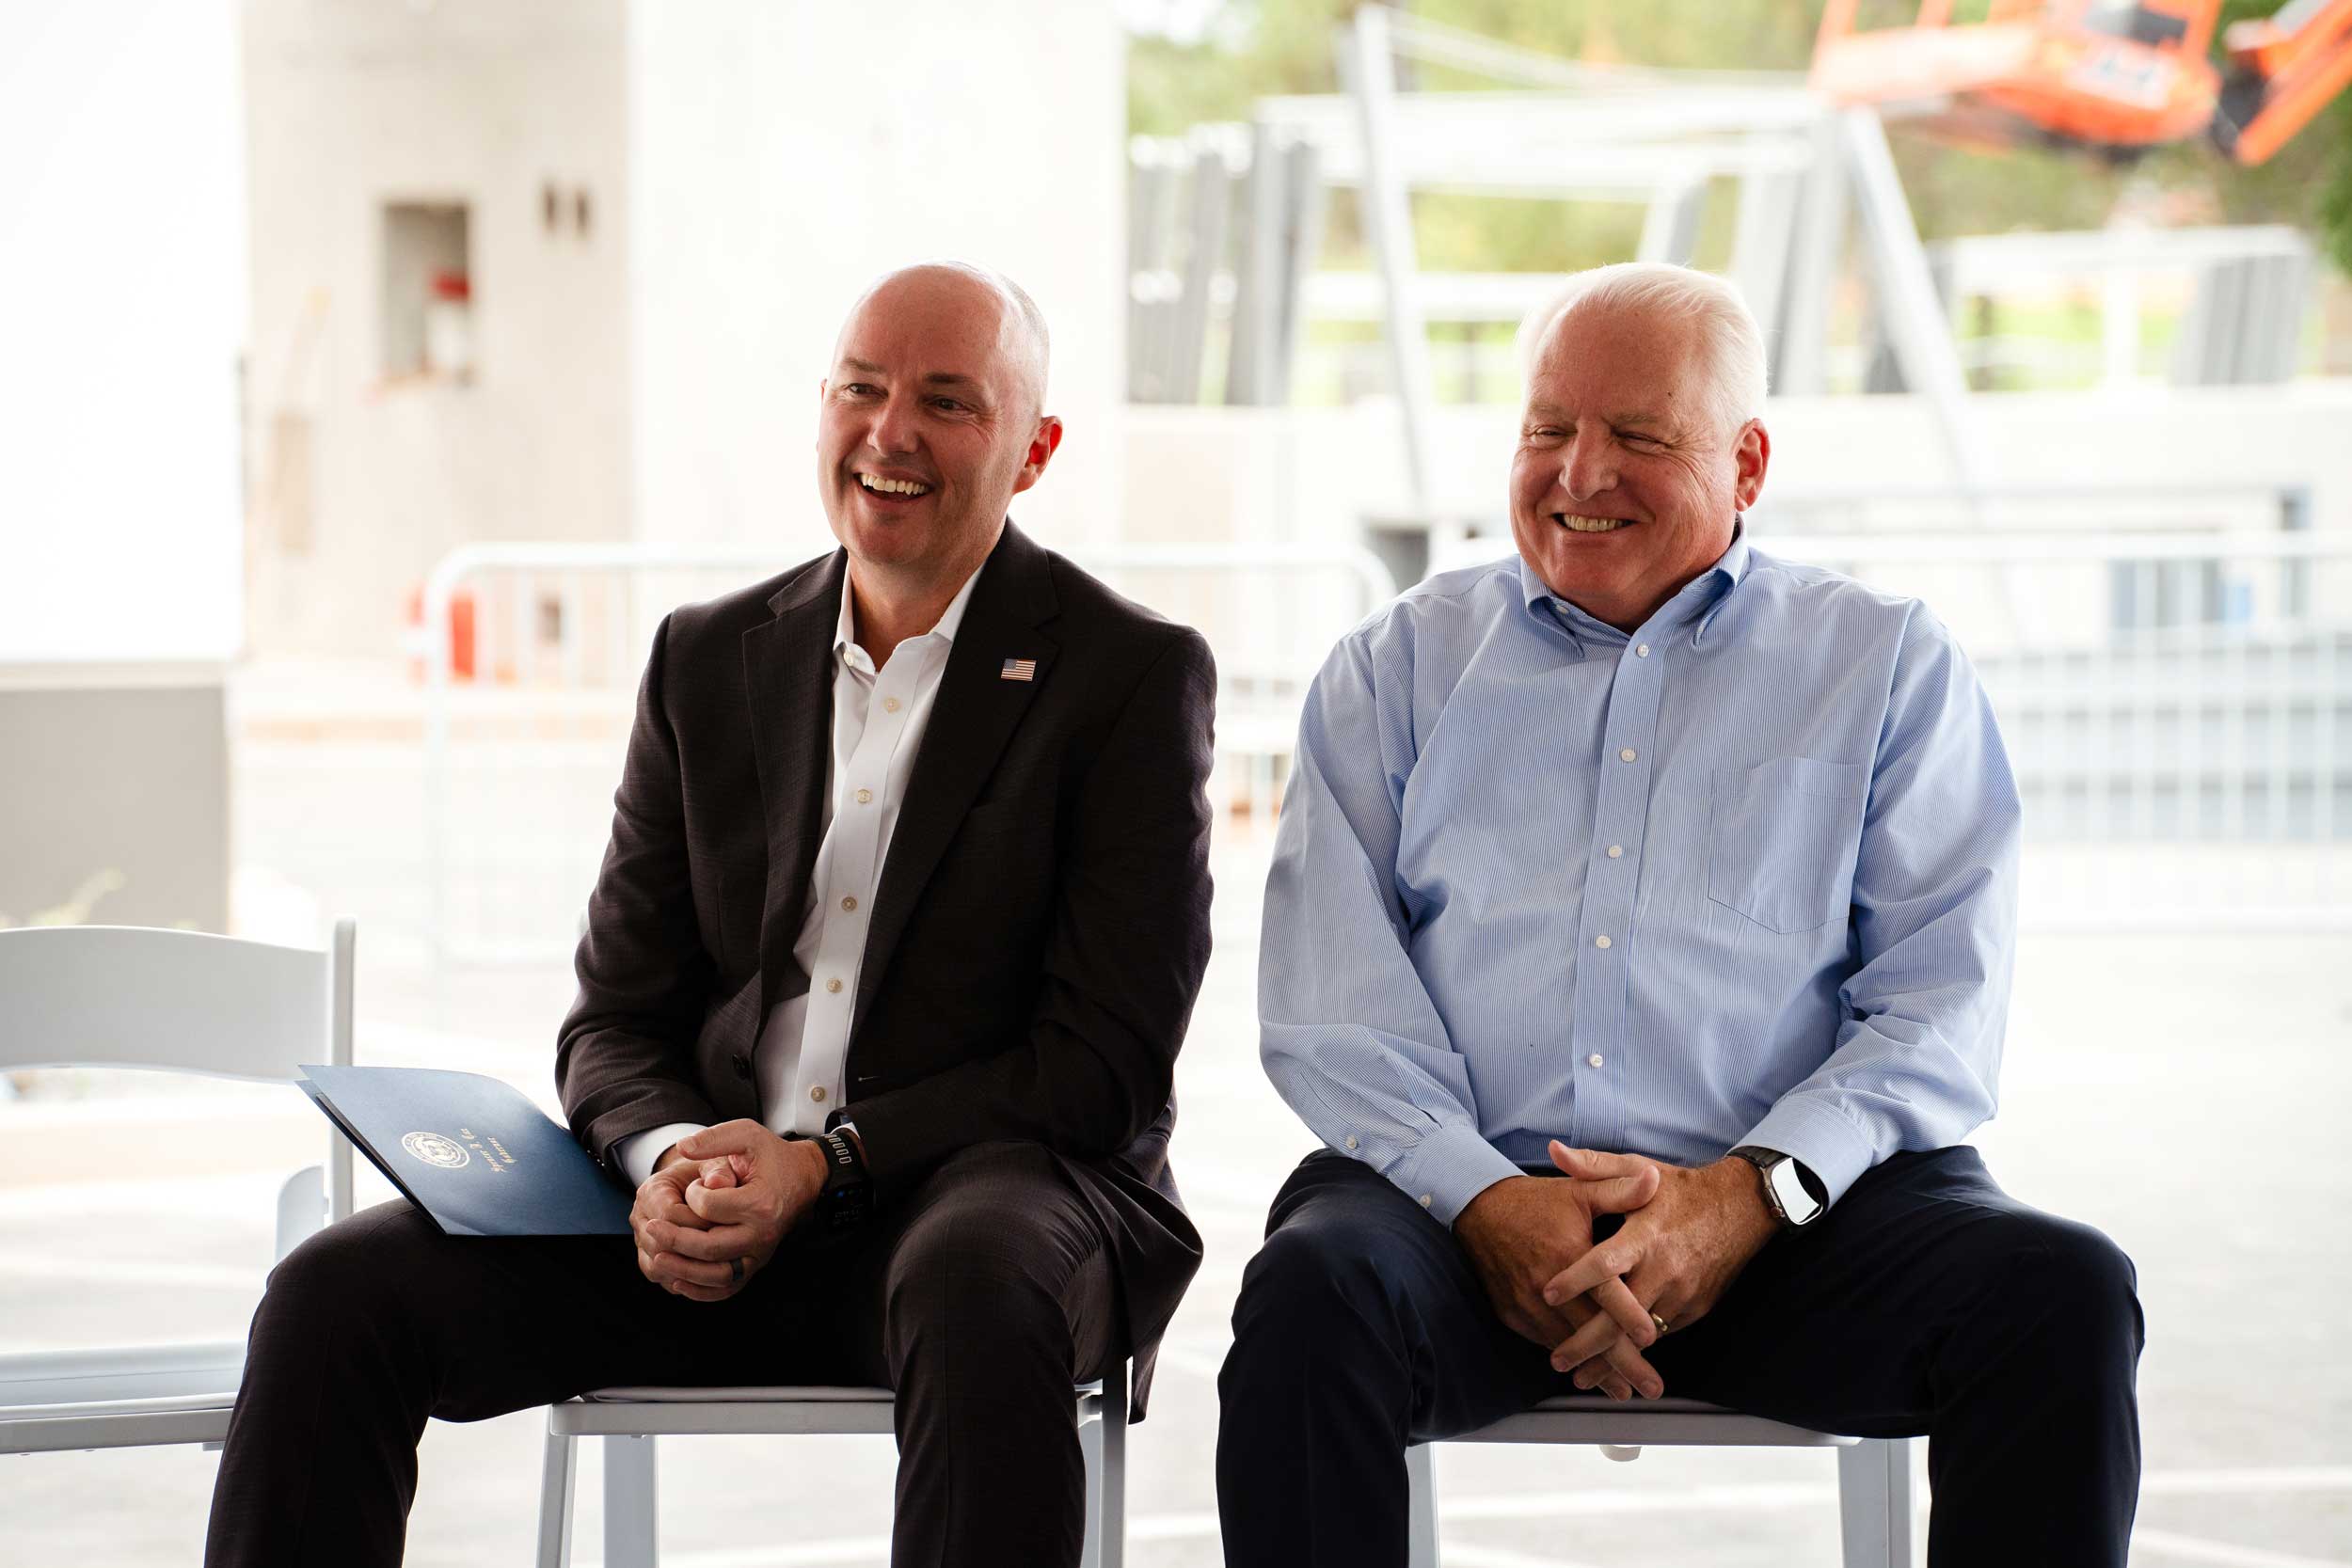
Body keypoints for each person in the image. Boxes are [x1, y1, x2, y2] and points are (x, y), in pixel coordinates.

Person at [205, 261, 1218, 1568]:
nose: (890, 433)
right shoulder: (708, 657)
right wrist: (676, 1159)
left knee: (978, 1274)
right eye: (860, 389)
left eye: (947, 402)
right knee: (336, 1294)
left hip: (966, 1206)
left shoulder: (1126, 676)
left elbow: (1102, 1065)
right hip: (704, 1218)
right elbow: (615, 1020)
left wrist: (825, 1167)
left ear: (1034, 451)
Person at [1216, 261, 2142, 1566]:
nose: (1579, 472)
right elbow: (1333, 1002)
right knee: (1312, 1298)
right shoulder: (1400, 665)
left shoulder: (1882, 661)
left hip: (1796, 1225)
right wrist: (1486, 1200)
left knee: (2061, 1294)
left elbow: (1939, 1005)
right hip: (1464, 1219)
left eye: (1639, 437)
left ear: (1747, 463)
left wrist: (1745, 1199)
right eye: (1548, 428)